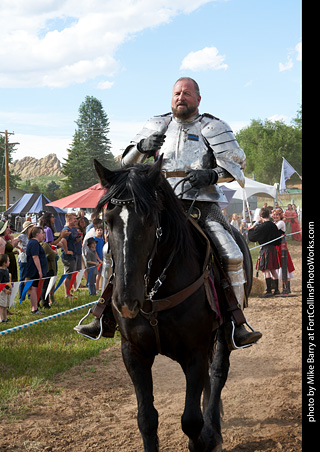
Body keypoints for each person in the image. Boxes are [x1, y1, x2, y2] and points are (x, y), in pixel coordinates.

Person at [76, 77, 261, 347]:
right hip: (158, 203)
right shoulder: (156, 124)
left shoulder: (214, 127)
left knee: (231, 253)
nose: (180, 97)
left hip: (200, 203)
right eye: (176, 93)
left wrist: (211, 174)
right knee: (110, 250)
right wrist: (141, 148)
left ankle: (236, 322)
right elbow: (124, 163)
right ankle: (105, 315)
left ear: (198, 98)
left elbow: (235, 168)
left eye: (186, 93)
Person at [248, 208, 282, 297]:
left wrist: (251, 229)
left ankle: (269, 291)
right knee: (273, 270)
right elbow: (278, 239)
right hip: (273, 249)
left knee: (267, 270)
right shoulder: (273, 225)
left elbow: (252, 237)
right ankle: (277, 290)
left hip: (266, 249)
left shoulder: (262, 226)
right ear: (268, 215)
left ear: (261, 216)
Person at [272, 208, 295, 293]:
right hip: (276, 247)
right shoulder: (274, 223)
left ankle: (287, 288)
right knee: (278, 266)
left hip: (282, 247)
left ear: (280, 215)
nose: (275, 216)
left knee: (285, 266)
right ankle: (281, 287)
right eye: (274, 215)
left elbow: (273, 230)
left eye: (277, 215)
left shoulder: (280, 223)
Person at [26, 226, 47, 314]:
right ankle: (34, 309)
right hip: (34, 270)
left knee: (34, 288)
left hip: (34, 269)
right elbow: (35, 257)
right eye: (42, 233)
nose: (43, 235)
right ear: (37, 234)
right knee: (34, 289)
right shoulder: (34, 243)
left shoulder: (34, 242)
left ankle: (35, 308)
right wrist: (39, 270)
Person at [60, 213, 78, 299]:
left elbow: (69, 241)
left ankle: (69, 292)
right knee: (68, 275)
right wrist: (67, 251)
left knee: (70, 275)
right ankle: (67, 294)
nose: (76, 220)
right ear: (69, 220)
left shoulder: (71, 229)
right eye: (74, 219)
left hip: (72, 255)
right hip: (68, 257)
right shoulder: (66, 229)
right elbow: (63, 240)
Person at [16, 220, 34, 301]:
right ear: (28, 228)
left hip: (30, 259)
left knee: (30, 277)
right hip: (23, 259)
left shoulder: (31, 236)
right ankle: (21, 297)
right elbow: (14, 241)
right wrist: (20, 248)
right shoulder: (22, 236)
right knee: (22, 278)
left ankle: (29, 294)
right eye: (31, 227)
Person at [0, 254, 11, 323]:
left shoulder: (6, 270)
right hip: (2, 291)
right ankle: (1, 319)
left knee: (5, 305)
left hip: (7, 290)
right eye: (8, 261)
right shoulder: (0, 272)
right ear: (4, 263)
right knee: (1, 305)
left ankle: (5, 318)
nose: (9, 262)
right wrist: (5, 290)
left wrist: (9, 288)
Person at [93, 226, 104, 292]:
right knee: (98, 274)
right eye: (98, 230)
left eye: (101, 230)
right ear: (95, 231)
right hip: (97, 260)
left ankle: (98, 288)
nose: (99, 231)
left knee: (100, 275)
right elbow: (95, 251)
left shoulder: (102, 239)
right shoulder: (94, 239)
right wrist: (99, 260)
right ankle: (96, 288)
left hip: (102, 259)